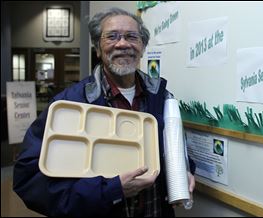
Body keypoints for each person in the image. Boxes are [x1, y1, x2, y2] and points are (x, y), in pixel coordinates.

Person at [13, 7, 195, 217]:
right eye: (112, 36)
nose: (123, 43)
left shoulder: (162, 98)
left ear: (142, 47)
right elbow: (28, 179)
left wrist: (185, 170)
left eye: (131, 37)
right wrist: (110, 191)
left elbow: (176, 151)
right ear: (98, 48)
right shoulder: (70, 102)